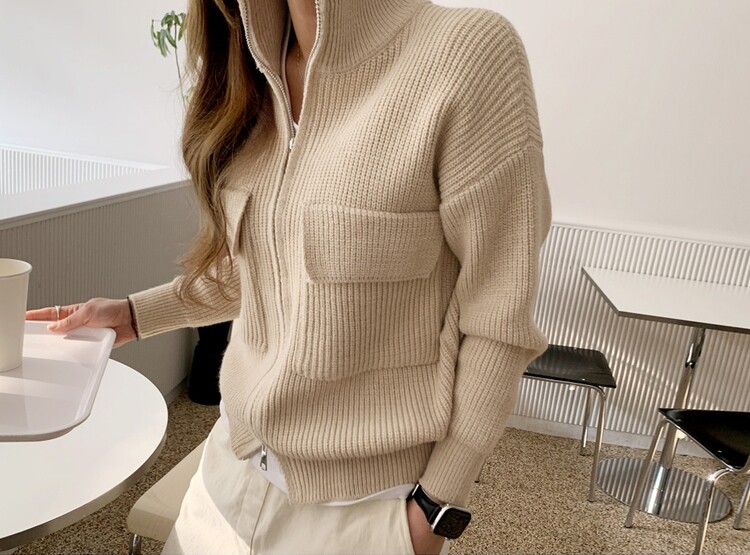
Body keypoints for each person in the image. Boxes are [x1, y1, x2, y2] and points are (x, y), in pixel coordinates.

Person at [27, 0, 552, 553]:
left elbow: (498, 315)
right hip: (227, 472)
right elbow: (263, 274)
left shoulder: (467, 53)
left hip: (365, 512)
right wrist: (134, 315)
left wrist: (435, 509)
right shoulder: (251, 68)